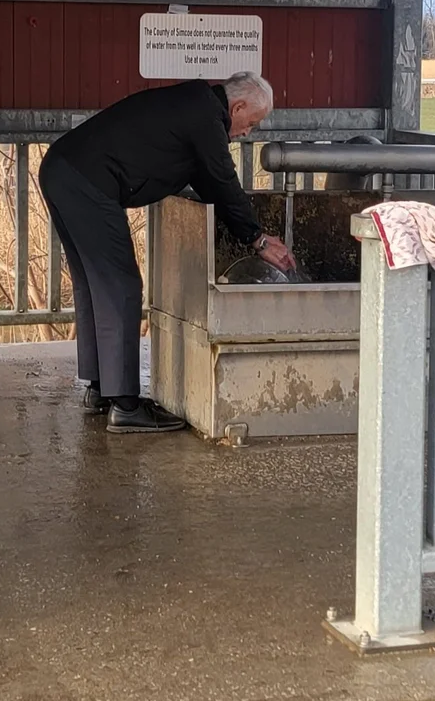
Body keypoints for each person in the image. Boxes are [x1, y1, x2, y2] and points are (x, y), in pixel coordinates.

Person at [38, 72, 295, 432]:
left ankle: (101, 389)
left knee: (95, 282)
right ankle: (126, 407)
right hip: (86, 181)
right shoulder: (206, 119)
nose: (247, 132)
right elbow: (223, 179)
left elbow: (209, 182)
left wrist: (243, 228)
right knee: (122, 286)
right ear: (237, 107)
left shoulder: (195, 105)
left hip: (61, 168)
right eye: (250, 123)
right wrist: (258, 240)